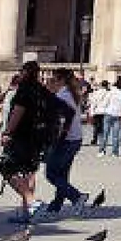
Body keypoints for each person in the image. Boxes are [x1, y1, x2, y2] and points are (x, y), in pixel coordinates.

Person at [0, 60, 58, 225]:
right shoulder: (42, 91)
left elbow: (18, 112)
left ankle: (32, 202)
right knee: (29, 172)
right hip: (38, 138)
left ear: (24, 72)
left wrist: (7, 132)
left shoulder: (25, 90)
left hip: (21, 136)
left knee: (5, 167)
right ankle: (28, 212)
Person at [39, 67, 94, 219]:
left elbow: (61, 119)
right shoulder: (72, 93)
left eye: (53, 79)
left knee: (51, 174)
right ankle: (56, 205)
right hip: (75, 138)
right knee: (62, 174)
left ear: (60, 80)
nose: (51, 82)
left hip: (65, 139)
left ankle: (77, 197)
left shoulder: (62, 95)